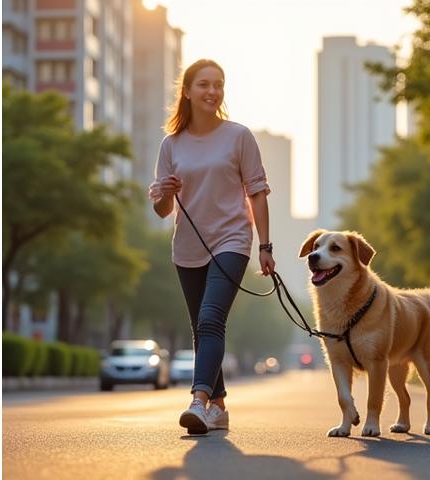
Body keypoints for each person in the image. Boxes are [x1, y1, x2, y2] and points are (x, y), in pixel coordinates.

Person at [148, 59, 275, 435]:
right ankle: (219, 405)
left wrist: (264, 246)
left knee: (210, 319)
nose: (212, 91)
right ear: (187, 91)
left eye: (218, 84)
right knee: (200, 326)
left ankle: (198, 402)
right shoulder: (171, 144)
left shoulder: (239, 136)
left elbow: (257, 193)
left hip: (232, 240)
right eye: (203, 84)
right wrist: (165, 194)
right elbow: (161, 209)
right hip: (187, 245)